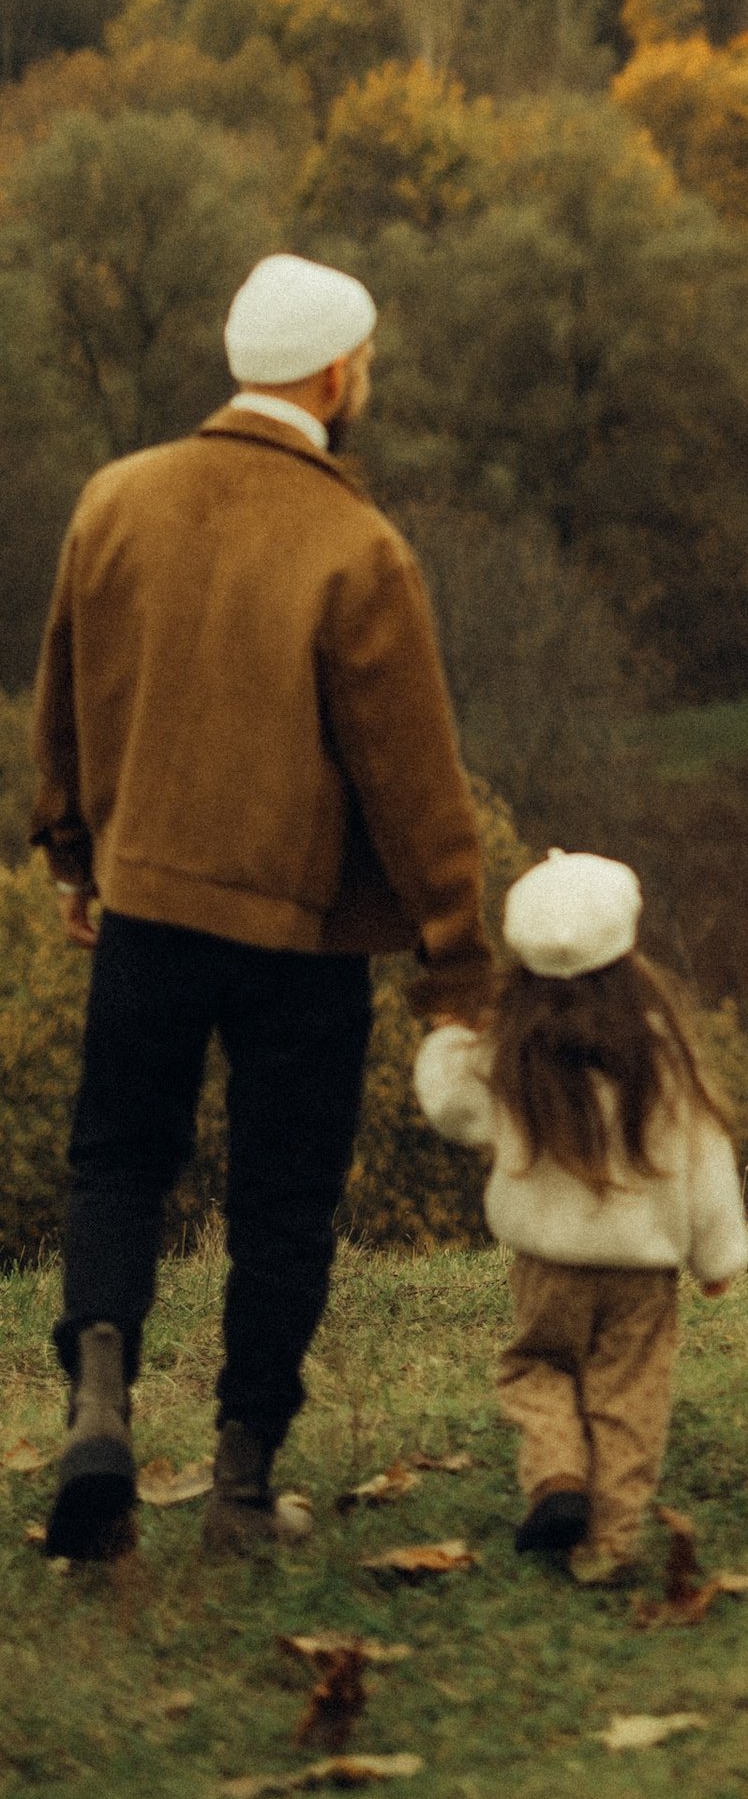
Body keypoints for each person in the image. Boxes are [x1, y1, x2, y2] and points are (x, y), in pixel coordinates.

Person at [32, 253, 493, 1562]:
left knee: (118, 1159)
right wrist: (458, 961)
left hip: (147, 913)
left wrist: (75, 860)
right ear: (338, 376)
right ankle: (239, 1490)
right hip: (300, 943)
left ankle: (101, 1412)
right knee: (281, 1206)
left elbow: (61, 700)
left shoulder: (114, 500)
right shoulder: (356, 545)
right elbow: (415, 781)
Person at [414, 849, 748, 1581]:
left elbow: (449, 1107)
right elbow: (707, 1159)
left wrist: (446, 1031)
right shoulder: (661, 1053)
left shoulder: (510, 1052)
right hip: (644, 1272)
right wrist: (718, 1260)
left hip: (547, 1265)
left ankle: (559, 1480)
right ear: (627, 949)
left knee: (540, 1368)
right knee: (629, 1398)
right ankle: (610, 1543)